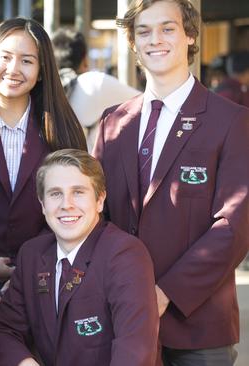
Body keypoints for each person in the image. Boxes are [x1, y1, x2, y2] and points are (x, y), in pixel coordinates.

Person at [93, 0, 249, 364]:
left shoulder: (231, 121)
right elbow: (97, 215)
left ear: (190, 36)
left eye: (167, 28)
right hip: (121, 320)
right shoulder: (112, 123)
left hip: (198, 325)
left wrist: (164, 293)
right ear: (132, 43)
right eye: (144, 31)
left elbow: (235, 226)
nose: (155, 39)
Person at [0, 18, 86, 295]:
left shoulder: (60, 127)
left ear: (40, 71)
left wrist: (29, 265)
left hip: (45, 281)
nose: (13, 69)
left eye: (27, 61)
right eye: (5, 57)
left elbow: (74, 205)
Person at [0, 149, 159, 366]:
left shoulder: (125, 255)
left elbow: (135, 349)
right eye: (55, 194)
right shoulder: (32, 255)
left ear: (100, 200)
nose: (66, 204)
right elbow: (6, 329)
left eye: (78, 192)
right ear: (42, 205)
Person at [51, 28, 140, 151]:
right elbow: (144, 101)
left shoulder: (47, 88)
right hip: (85, 166)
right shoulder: (92, 82)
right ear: (85, 60)